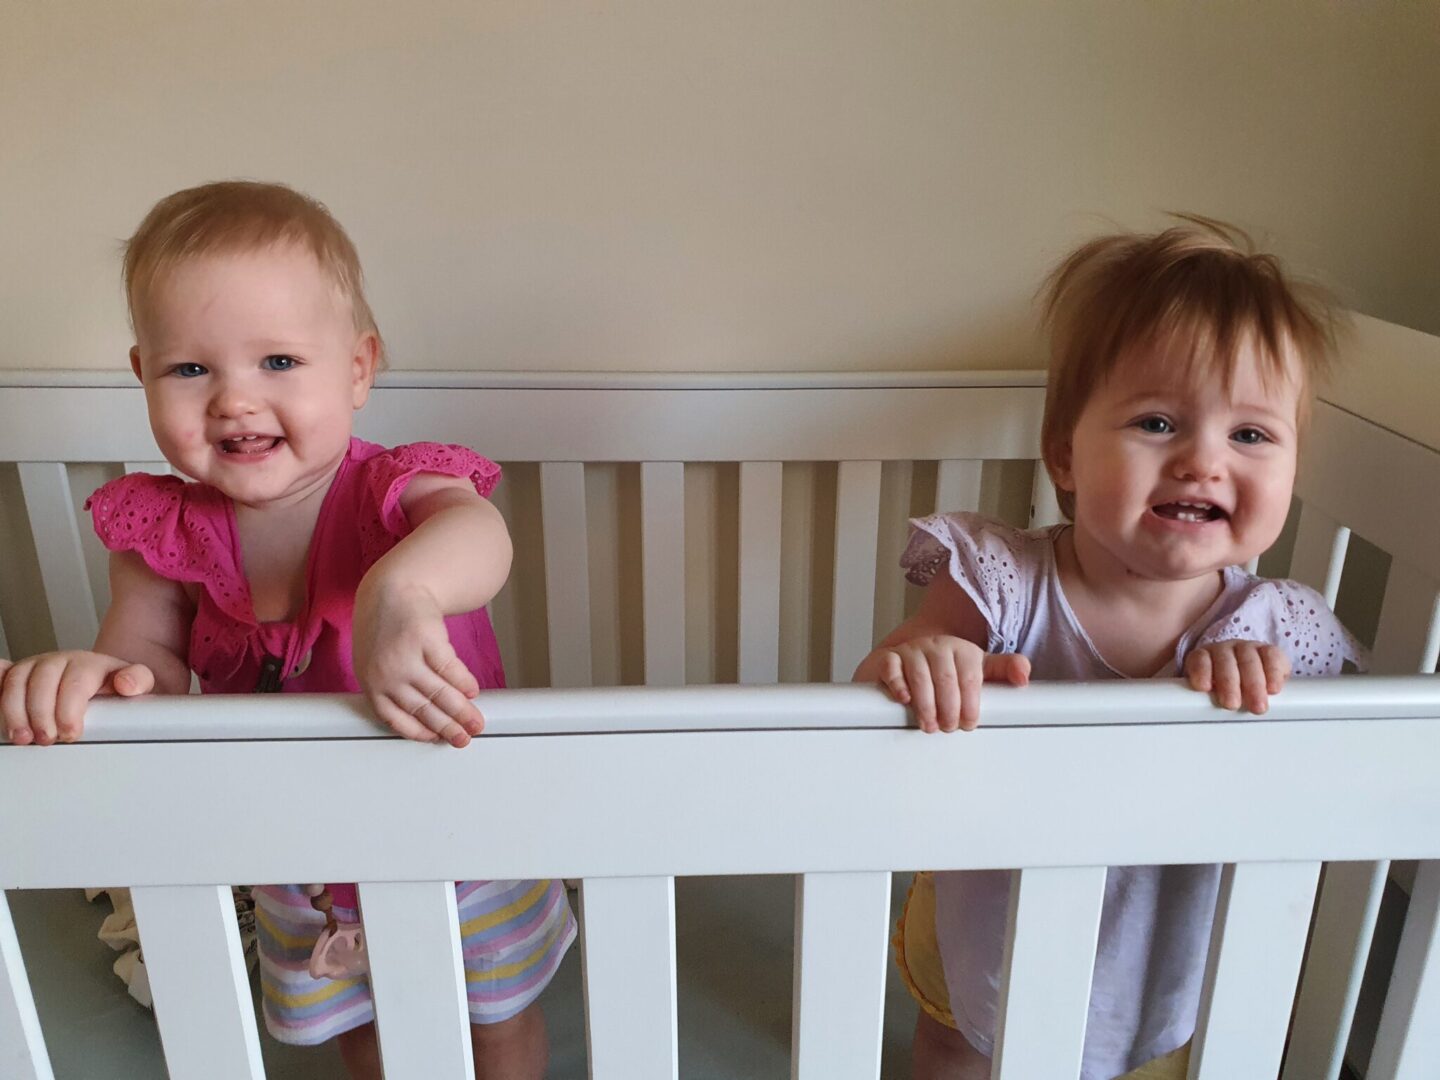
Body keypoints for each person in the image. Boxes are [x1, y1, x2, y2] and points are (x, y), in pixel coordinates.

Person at [0, 181, 574, 1079]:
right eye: (190, 369)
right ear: (142, 374)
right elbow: (137, 667)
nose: (233, 400)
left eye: (276, 362)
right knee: (364, 1029)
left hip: (463, 837)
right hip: (294, 863)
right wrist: (87, 678)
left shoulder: (398, 496)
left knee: (495, 1020)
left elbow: (481, 535)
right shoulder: (163, 542)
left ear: (356, 367)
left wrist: (403, 591)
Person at [853, 217, 1366, 1080]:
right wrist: (926, 658)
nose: (1203, 461)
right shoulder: (1003, 578)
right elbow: (875, 684)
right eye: (1158, 422)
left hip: (1160, 942)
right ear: (1064, 455)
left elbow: (1338, 782)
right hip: (992, 920)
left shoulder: (1278, 627)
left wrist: (1270, 710)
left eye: (1250, 435)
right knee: (957, 1046)